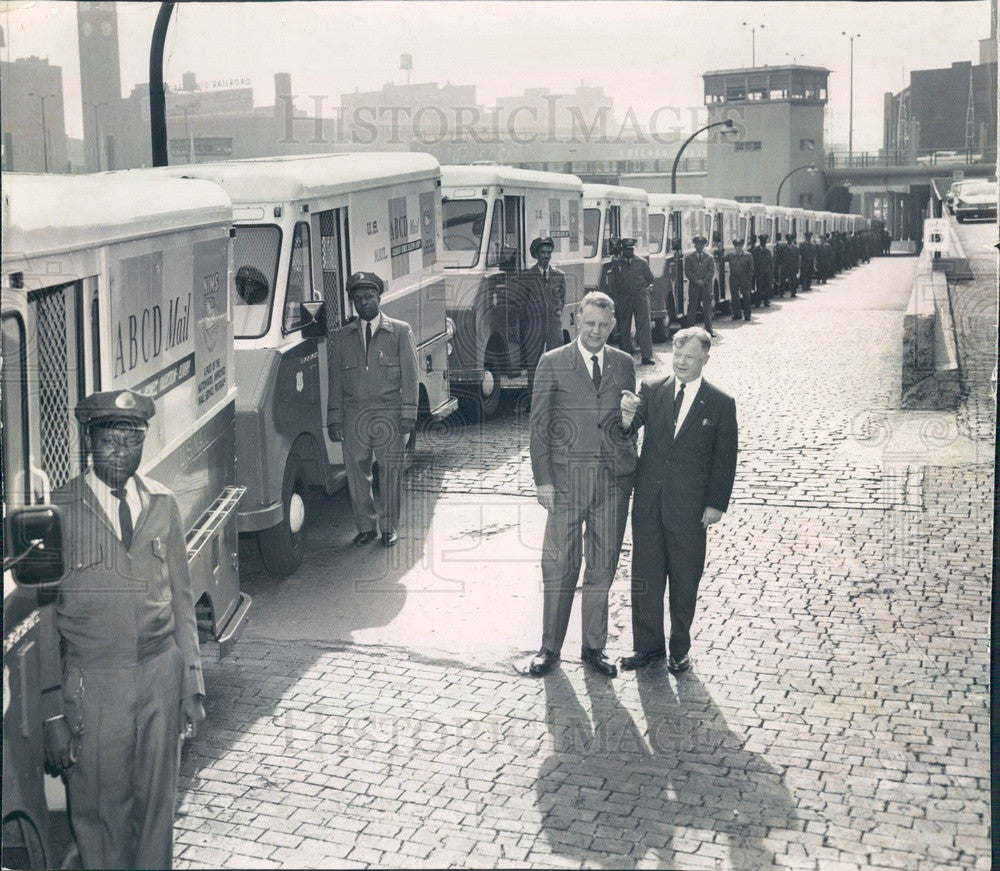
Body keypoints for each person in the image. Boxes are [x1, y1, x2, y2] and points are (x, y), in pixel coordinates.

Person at [40, 389, 205, 870]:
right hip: (94, 686)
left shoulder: (163, 503)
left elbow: (181, 598)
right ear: (88, 441)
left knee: (157, 809)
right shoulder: (58, 511)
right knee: (99, 812)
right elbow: (46, 619)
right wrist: (52, 712)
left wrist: (191, 682)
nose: (120, 452)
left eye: (131, 441)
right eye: (109, 440)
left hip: (159, 675)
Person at [528, 291, 639, 678]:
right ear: (577, 322)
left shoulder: (624, 364)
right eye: (589, 323)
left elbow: (627, 426)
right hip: (565, 481)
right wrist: (543, 480)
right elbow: (538, 426)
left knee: (602, 566)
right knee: (559, 565)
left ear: (612, 325)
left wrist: (628, 423)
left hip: (612, 483)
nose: (595, 331)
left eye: (603, 325)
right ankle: (549, 648)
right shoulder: (552, 363)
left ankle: (594, 648)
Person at [619, 327, 738, 674]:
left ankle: (679, 650)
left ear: (704, 359)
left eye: (689, 357)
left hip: (689, 508)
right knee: (646, 577)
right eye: (678, 355)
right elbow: (630, 428)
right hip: (649, 503)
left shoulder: (720, 403)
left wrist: (716, 504)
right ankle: (647, 647)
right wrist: (626, 419)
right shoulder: (653, 389)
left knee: (685, 580)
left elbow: (724, 458)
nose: (682, 362)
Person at [327, 271, 419, 548]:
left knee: (390, 471)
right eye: (357, 299)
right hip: (354, 414)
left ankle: (389, 527)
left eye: (368, 297)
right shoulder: (342, 337)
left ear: (379, 297)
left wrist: (408, 413)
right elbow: (335, 380)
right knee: (356, 473)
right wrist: (334, 417)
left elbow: (410, 375)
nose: (363, 303)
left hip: (389, 412)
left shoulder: (400, 331)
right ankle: (366, 526)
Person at [522, 236, 567, 392]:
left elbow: (562, 298)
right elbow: (522, 302)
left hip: (554, 325)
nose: (546, 256)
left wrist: (557, 311)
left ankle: (557, 395)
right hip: (534, 325)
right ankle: (532, 397)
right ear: (536, 254)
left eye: (549, 252)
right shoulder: (527, 276)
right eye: (542, 252)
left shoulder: (559, 275)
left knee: (556, 359)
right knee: (533, 362)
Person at [614, 238, 656, 365]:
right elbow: (614, 284)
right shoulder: (617, 264)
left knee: (644, 326)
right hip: (624, 300)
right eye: (627, 249)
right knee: (624, 328)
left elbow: (650, 279)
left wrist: (646, 290)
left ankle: (647, 356)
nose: (629, 251)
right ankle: (625, 357)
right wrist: (616, 299)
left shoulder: (641, 262)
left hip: (640, 299)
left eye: (631, 249)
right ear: (623, 250)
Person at [683, 235, 716, 337]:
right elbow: (687, 271)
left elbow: (711, 271)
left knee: (707, 308)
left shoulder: (709, 257)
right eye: (698, 244)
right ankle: (690, 331)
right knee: (692, 308)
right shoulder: (689, 258)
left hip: (705, 287)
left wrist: (704, 280)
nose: (700, 246)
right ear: (695, 245)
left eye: (702, 244)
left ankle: (709, 330)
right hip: (694, 287)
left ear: (704, 245)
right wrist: (696, 280)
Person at [725, 238, 754, 321]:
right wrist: (720, 250)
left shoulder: (748, 255)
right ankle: (737, 314)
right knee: (734, 297)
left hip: (744, 278)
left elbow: (751, 268)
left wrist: (748, 278)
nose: (738, 247)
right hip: (734, 278)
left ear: (742, 246)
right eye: (736, 245)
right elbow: (722, 259)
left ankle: (747, 314)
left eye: (740, 245)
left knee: (746, 296)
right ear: (734, 246)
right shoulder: (730, 255)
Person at [751, 233, 774, 306]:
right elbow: (753, 262)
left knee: (767, 288)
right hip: (759, 272)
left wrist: (771, 273)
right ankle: (758, 302)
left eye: (765, 241)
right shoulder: (756, 251)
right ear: (760, 241)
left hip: (767, 272)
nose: (764, 242)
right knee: (759, 288)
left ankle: (766, 301)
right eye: (762, 240)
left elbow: (770, 263)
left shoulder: (768, 251)